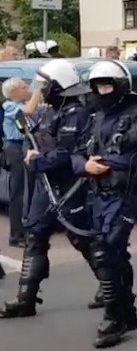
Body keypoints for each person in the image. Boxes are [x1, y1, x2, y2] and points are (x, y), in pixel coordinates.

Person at [0, 60, 93, 318]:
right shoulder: (51, 111)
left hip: (69, 185)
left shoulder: (76, 113)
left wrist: (38, 159)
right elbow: (43, 140)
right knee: (35, 236)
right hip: (46, 184)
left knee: (82, 239)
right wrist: (36, 153)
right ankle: (25, 299)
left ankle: (113, 292)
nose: (41, 89)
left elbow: (66, 154)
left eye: (46, 85)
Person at [73, 60, 137, 348]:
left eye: (108, 85)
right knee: (113, 253)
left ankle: (113, 317)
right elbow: (77, 151)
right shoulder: (96, 117)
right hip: (97, 194)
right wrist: (85, 165)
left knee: (107, 251)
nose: (103, 90)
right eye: (99, 85)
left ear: (120, 86)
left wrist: (101, 164)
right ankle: (127, 310)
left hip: (124, 195)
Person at [2, 78, 40, 247]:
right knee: (17, 192)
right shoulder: (9, 106)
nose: (27, 90)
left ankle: (26, 228)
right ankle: (15, 234)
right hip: (14, 148)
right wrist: (38, 91)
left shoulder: (19, 106)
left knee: (27, 190)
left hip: (23, 147)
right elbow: (28, 111)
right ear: (13, 92)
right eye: (23, 88)